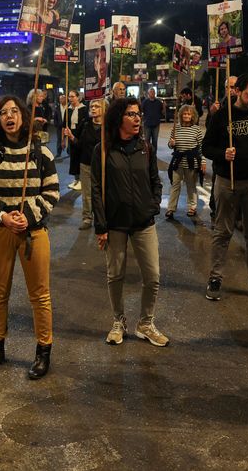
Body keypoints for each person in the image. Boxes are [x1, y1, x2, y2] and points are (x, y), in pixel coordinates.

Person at [0, 95, 59, 379]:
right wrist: (4, 216)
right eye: (3, 113)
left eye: (14, 111)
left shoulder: (41, 153)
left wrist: (28, 216)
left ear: (23, 116)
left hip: (34, 234)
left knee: (40, 296)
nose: (9, 116)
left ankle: (43, 352)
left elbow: (52, 192)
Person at [91, 97, 168, 347]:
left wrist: (153, 204)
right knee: (115, 275)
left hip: (144, 222)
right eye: (131, 114)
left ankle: (145, 323)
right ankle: (118, 321)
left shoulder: (145, 147)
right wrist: (101, 226)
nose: (137, 119)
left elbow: (155, 179)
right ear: (118, 119)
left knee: (153, 276)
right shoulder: (102, 150)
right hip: (115, 224)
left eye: (138, 115)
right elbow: (96, 190)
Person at [202, 74, 248, 302]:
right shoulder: (222, 116)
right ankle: (215, 278)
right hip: (227, 182)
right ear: (238, 92)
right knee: (222, 232)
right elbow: (206, 147)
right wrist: (222, 154)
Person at [166, 104, 205, 221]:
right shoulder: (176, 128)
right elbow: (170, 144)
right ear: (181, 115)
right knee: (175, 185)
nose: (186, 116)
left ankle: (192, 207)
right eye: (184, 114)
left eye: (189, 114)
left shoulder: (196, 129)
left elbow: (201, 147)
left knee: (191, 186)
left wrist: (202, 161)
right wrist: (171, 144)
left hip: (192, 161)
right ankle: (171, 208)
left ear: (192, 116)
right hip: (178, 161)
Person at [75, 98, 105, 229]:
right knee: (87, 194)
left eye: (97, 106)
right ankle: (87, 218)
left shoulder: (108, 127)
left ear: (103, 109)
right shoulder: (85, 124)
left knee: (102, 193)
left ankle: (102, 218)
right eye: (92, 106)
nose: (93, 108)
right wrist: (71, 137)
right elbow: (80, 144)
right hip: (86, 163)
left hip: (103, 165)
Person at [61, 90, 87, 190]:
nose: (70, 99)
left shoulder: (84, 109)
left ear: (78, 97)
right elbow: (64, 125)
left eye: (72, 96)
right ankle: (76, 179)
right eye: (69, 97)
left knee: (81, 157)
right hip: (71, 136)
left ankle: (81, 180)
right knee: (74, 158)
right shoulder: (68, 110)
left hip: (81, 136)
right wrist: (62, 140)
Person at [141, 87, 164, 154]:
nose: (152, 93)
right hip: (147, 124)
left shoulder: (158, 102)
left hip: (156, 124)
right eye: (151, 92)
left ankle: (154, 154)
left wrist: (164, 107)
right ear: (148, 94)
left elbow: (162, 113)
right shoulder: (145, 102)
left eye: (153, 92)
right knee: (147, 140)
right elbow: (141, 111)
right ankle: (147, 154)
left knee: (155, 141)